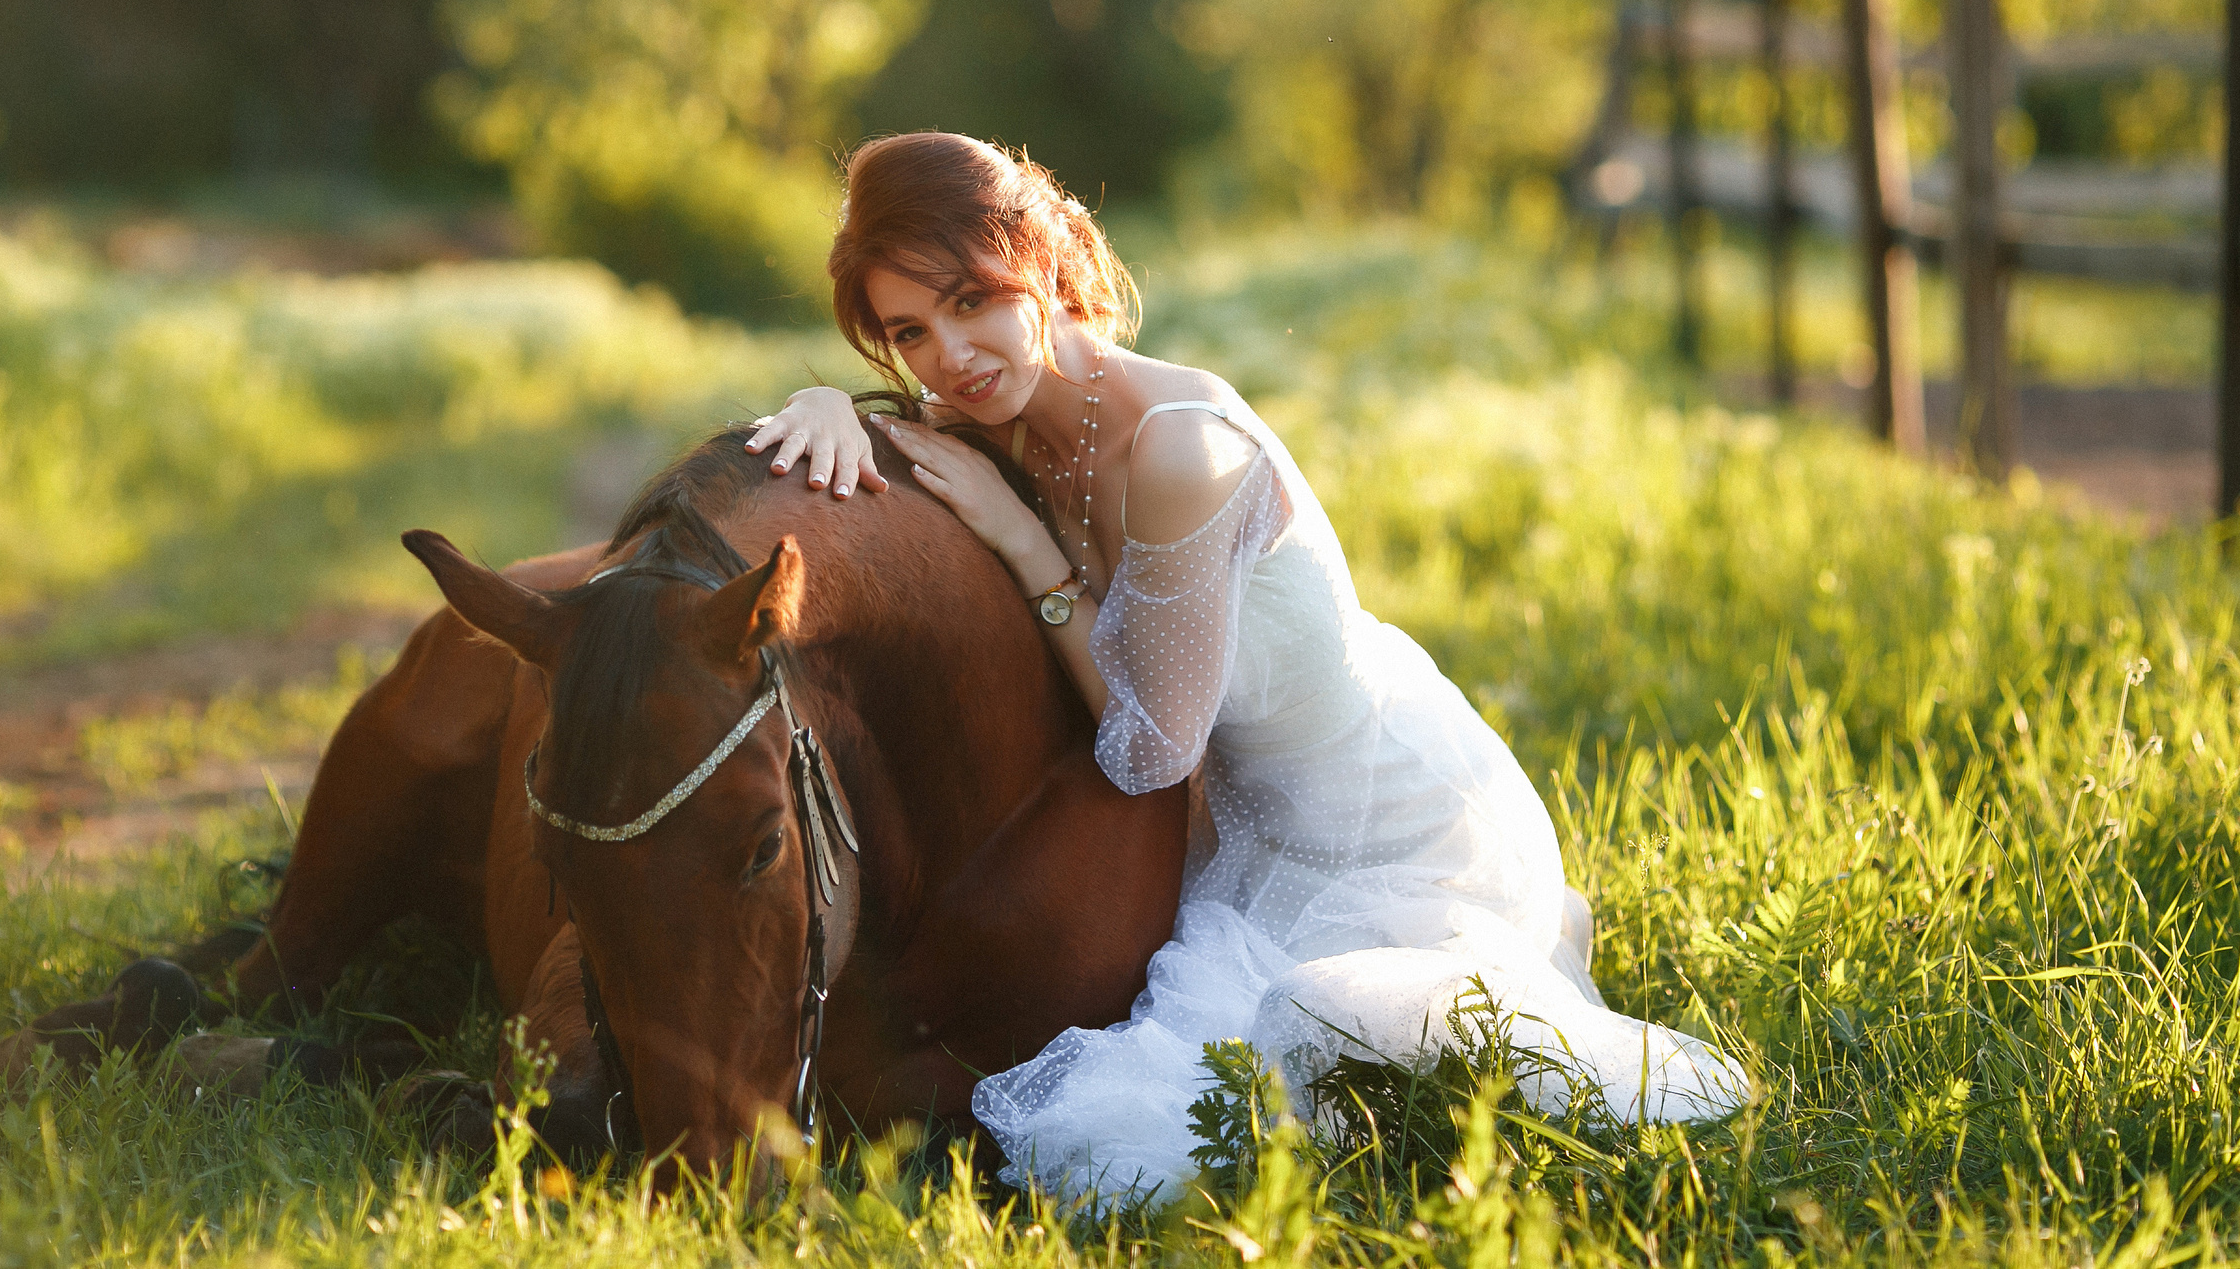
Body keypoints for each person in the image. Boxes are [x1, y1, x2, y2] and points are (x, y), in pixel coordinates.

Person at [748, 132, 1746, 1202]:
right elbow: (909, 441)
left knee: (1241, 1072)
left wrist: (1025, 546)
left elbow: (1146, 752)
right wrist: (821, 410)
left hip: (1375, 831)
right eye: (910, 331)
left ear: (1036, 261)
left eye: (971, 300)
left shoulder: (1181, 448)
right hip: (1232, 823)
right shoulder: (1012, 416)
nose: (951, 354)